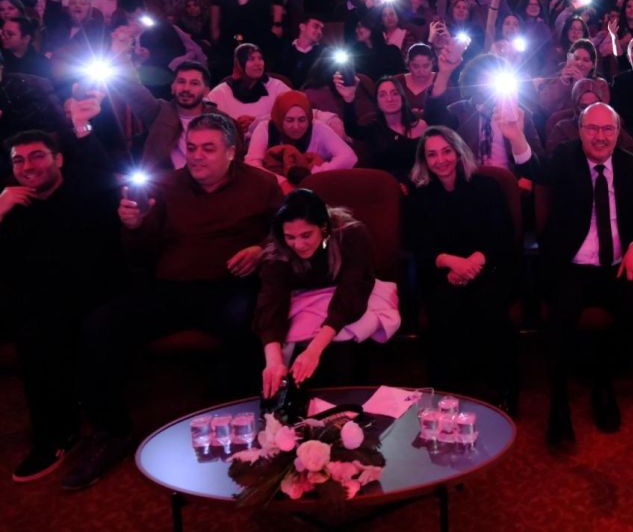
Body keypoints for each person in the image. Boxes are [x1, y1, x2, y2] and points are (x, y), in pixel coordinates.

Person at [70, 113, 283, 489]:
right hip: (172, 287)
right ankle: (111, 431)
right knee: (100, 325)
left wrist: (260, 249)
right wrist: (134, 226)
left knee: (247, 322)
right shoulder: (167, 185)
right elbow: (140, 252)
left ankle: (235, 427)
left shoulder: (261, 184)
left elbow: (286, 234)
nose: (196, 156)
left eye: (208, 149)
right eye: (192, 147)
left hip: (230, 285)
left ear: (231, 152)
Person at [1, 107, 121, 482]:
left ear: (58, 159)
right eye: (19, 160)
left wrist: (83, 123)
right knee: (30, 321)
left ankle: (62, 434)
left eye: (37, 156)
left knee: (43, 330)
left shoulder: (86, 189)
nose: (28, 166)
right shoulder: (10, 202)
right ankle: (56, 428)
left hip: (92, 290)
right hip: (32, 297)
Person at [537, 103, 633, 447]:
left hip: (616, 265)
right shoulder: (563, 159)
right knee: (560, 318)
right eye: (592, 128)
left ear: (618, 132)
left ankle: (604, 383)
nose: (600, 137)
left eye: (608, 129)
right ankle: (559, 404)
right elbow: (531, 166)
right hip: (571, 265)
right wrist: (515, 136)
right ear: (580, 130)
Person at [406, 126, 518, 409]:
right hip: (442, 273)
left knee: (488, 302)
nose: (440, 160)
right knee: (444, 305)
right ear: (424, 160)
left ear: (458, 152)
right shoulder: (419, 196)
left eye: (446, 151)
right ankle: (449, 394)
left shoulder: (486, 186)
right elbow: (418, 244)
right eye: (432, 155)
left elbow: (503, 234)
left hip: (488, 267)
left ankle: (501, 389)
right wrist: (450, 262)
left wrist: (473, 263)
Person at [256, 190, 395, 398]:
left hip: (352, 296)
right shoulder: (276, 248)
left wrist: (314, 351)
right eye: (290, 237)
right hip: (303, 298)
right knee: (277, 350)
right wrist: (274, 362)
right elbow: (271, 301)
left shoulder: (352, 234)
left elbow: (352, 290)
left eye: (306, 235)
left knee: (339, 348)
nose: (298, 245)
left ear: (323, 227)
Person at [246, 90, 358, 189]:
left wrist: (314, 173)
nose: (296, 127)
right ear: (279, 118)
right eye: (289, 120)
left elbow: (349, 157)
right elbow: (251, 163)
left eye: (302, 120)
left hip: (313, 187)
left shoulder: (318, 128)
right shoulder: (265, 128)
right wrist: (282, 182)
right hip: (275, 189)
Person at [343, 74, 428, 181]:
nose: (389, 99)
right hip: (388, 185)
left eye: (395, 93)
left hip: (421, 183)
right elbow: (351, 129)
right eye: (382, 95)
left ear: (402, 97)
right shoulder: (374, 129)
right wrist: (348, 98)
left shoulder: (421, 125)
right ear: (377, 102)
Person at [206, 42, 291, 135]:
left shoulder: (276, 86)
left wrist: (258, 121)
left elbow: (293, 110)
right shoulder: (221, 92)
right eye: (251, 59)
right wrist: (234, 125)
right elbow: (207, 118)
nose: (258, 63)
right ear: (239, 63)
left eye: (260, 58)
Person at [546, 77, 633, 155]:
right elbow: (553, 160)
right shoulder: (563, 129)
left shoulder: (611, 124)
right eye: (584, 107)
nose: (589, 110)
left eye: (594, 105)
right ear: (575, 107)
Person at [275, 13, 326, 88]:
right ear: (302, 27)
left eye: (321, 29)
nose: (319, 32)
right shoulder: (283, 48)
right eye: (316, 26)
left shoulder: (324, 53)